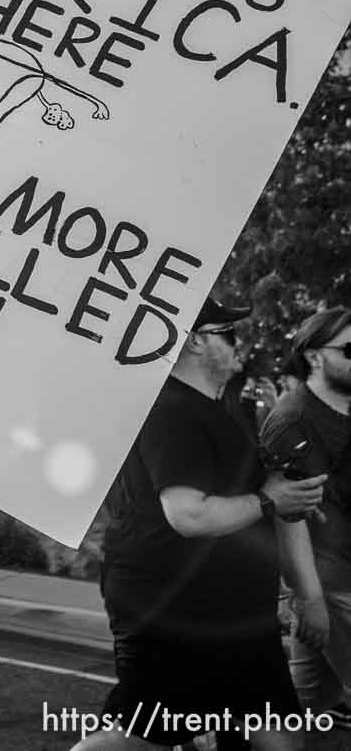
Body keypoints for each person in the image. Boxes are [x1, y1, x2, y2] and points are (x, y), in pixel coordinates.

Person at [73, 296, 324, 751]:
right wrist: (269, 498)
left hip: (234, 615)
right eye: (226, 334)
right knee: (134, 737)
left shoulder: (207, 408)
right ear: (193, 342)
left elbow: (235, 495)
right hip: (174, 615)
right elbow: (188, 514)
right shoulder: (170, 411)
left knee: (280, 739)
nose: (237, 343)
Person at [260, 306, 351, 723]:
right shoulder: (292, 420)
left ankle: (213, 729)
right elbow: (290, 516)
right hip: (331, 586)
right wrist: (308, 598)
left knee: (305, 700)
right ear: (315, 356)